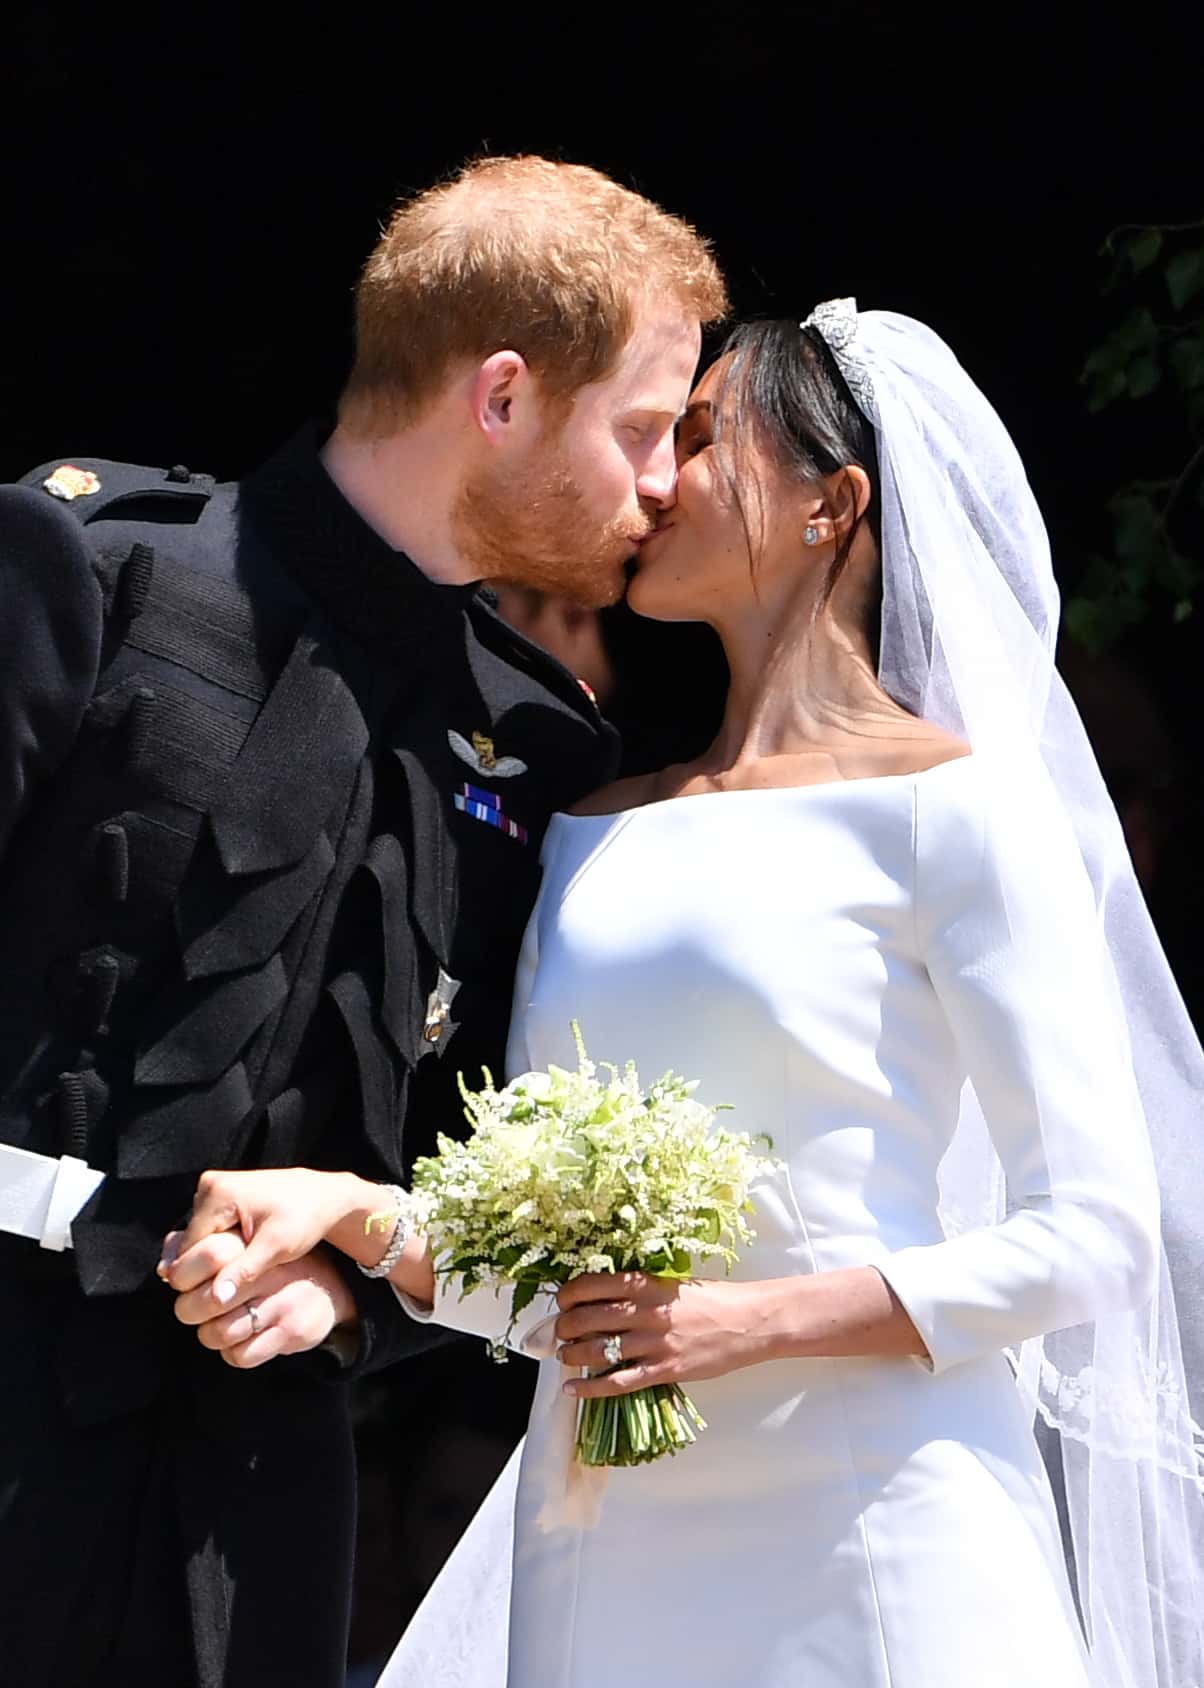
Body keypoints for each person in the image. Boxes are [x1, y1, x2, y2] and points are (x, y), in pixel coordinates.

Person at [166, 302, 1204, 1686]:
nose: (653, 479)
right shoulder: (594, 826)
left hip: (878, 1526)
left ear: (833, 503)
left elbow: (1096, 1235)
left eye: (701, 439)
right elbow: (552, 1285)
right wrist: (353, 1216)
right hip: (603, 1537)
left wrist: (745, 1322)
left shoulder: (956, 812)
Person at [0, 154, 727, 1688]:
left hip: (254, 1491)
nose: (668, 486)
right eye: (646, 430)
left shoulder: (539, 752)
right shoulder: (96, 565)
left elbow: (477, 1157)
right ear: (505, 395)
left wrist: (348, 1292)